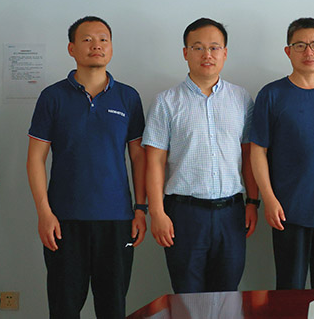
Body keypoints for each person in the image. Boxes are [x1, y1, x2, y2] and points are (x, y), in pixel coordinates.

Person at [27, 16, 146, 319]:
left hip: (117, 220)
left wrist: (141, 208)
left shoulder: (128, 97)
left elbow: (139, 158)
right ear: (72, 48)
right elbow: (35, 159)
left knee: (113, 308)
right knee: (64, 309)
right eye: (87, 39)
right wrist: (44, 213)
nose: (97, 45)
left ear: (111, 47)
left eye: (103, 39)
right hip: (64, 220)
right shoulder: (52, 97)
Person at [143, 17, 258, 294]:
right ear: (185, 53)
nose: (207, 54)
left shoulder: (241, 99)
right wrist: (156, 212)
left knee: (227, 293)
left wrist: (253, 202)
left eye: (214, 47)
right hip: (184, 214)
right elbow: (155, 161)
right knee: (187, 296)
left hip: (231, 213)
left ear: (224, 53)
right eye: (198, 47)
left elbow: (248, 156)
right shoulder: (166, 102)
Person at [250, 17, 314, 289]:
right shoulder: (271, 94)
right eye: (300, 45)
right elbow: (257, 151)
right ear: (288, 51)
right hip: (287, 210)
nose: (309, 51)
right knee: (289, 289)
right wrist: (268, 198)